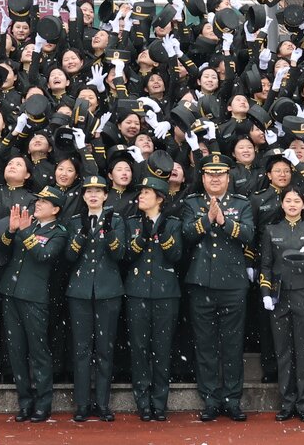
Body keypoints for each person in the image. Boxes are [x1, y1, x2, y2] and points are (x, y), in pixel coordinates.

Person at [182, 151, 256, 422]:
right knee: (206, 344)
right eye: (210, 174)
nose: (215, 178)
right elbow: (186, 235)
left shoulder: (241, 204)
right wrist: (207, 220)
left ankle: (232, 399)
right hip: (201, 283)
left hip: (233, 284)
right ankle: (211, 398)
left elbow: (249, 235)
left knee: (233, 344)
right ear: (202, 177)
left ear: (228, 177)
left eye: (220, 174)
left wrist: (225, 221)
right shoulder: (192, 203)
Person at [0, 185, 70, 422]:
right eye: (38, 200)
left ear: (56, 209)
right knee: (16, 351)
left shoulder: (58, 232)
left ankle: (43, 403)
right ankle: (25, 402)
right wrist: (11, 230)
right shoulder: (26, 223)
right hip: (11, 291)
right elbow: (5, 247)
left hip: (34, 296)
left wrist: (26, 230)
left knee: (38, 351)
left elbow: (43, 255)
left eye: (44, 202)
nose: (38, 203)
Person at [63, 174, 126, 422]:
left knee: (104, 349)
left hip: (108, 289)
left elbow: (120, 253)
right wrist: (81, 234)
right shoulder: (75, 220)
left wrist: (109, 233)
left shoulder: (116, 220)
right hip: (80, 290)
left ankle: (102, 403)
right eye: (89, 191)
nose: (93, 195)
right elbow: (69, 256)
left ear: (105, 195)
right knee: (81, 349)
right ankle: (82, 404)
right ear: (83, 195)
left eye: (98, 191)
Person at [259, 188, 304, 423]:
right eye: (288, 200)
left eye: (297, 200)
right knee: (283, 351)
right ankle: (287, 402)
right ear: (282, 204)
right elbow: (265, 265)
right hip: (279, 296)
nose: (293, 204)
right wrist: (265, 292)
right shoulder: (271, 230)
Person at [124, 174, 182, 422]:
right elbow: (127, 255)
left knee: (161, 347)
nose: (141, 197)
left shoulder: (173, 223)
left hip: (165, 292)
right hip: (137, 291)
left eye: (146, 194)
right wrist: (142, 236)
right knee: (139, 348)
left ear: (160, 198)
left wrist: (161, 231)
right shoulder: (131, 223)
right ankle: (143, 401)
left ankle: (159, 401)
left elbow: (176, 255)